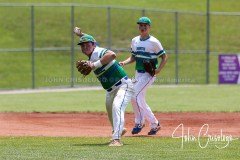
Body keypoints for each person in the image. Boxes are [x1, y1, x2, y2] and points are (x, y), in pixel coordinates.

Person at [74, 28, 134, 146]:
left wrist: (94, 65)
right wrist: (81, 35)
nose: (84, 47)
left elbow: (112, 54)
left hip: (123, 85)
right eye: (82, 45)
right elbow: (92, 41)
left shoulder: (98, 52)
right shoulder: (92, 56)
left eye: (87, 44)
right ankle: (119, 130)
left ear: (93, 45)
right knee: (110, 112)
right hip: (110, 90)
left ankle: (116, 140)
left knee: (117, 107)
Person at [120, 17, 168, 135]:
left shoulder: (154, 42)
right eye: (140, 25)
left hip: (148, 74)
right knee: (135, 97)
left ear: (149, 27)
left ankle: (143, 123)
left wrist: (159, 69)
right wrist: (124, 63)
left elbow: (164, 57)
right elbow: (133, 57)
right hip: (138, 73)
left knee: (135, 95)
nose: (142, 27)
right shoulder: (135, 40)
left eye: (145, 25)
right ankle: (150, 124)